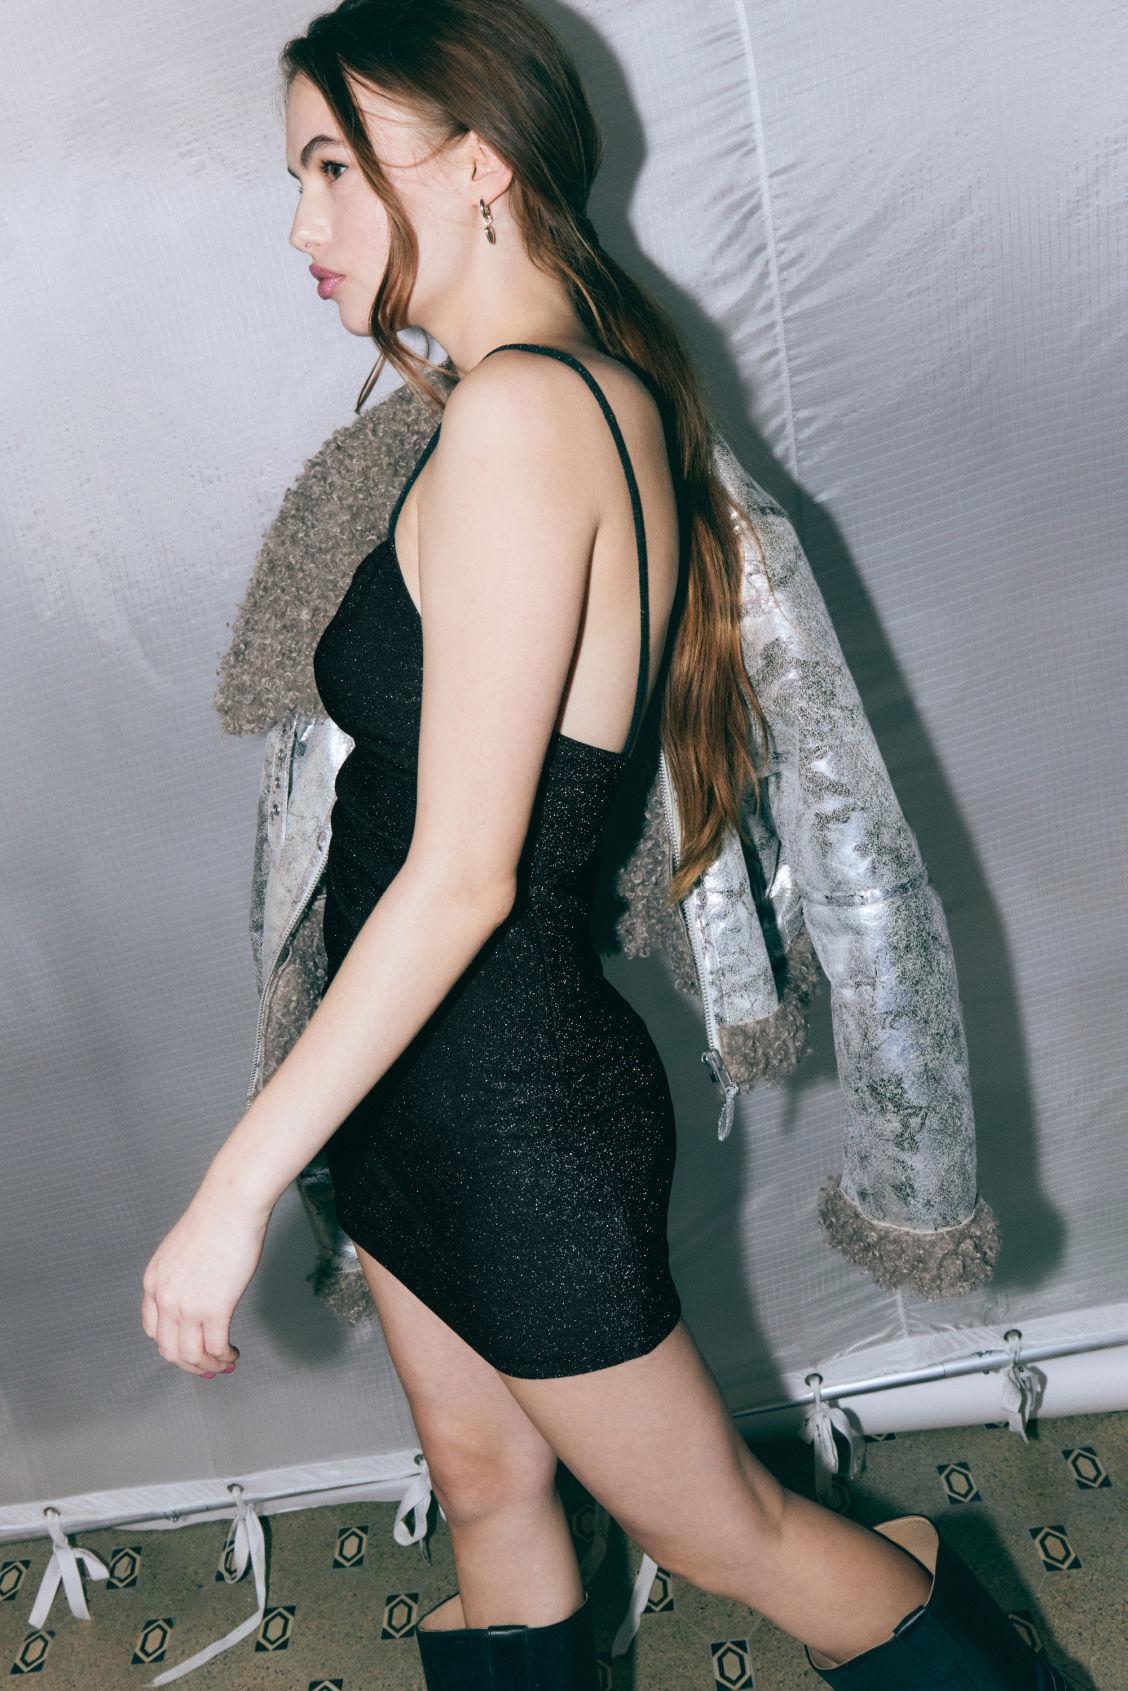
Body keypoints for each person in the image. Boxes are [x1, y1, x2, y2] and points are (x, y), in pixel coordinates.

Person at [142, 4, 1076, 1687]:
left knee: (731, 1536)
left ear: (477, 164)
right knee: (489, 1490)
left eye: (335, 168)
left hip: (513, 1109)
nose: (303, 224)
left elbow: (464, 875)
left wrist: (234, 1189)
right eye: (297, 177)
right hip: (420, 1089)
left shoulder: (526, 415)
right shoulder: (551, 397)